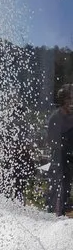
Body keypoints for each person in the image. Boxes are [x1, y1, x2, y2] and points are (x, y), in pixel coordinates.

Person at [46, 85, 73, 216]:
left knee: (67, 188)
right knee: (57, 188)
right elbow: (51, 141)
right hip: (59, 158)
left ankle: (63, 212)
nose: (71, 102)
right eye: (69, 98)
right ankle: (52, 215)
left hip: (69, 158)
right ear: (63, 100)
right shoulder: (55, 118)